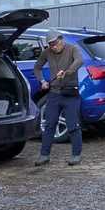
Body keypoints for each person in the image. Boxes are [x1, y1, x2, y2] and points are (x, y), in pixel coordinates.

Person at [33, 31, 84, 166]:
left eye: (55, 44)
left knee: (73, 125)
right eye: (50, 45)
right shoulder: (47, 52)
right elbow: (37, 67)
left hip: (70, 93)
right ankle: (44, 155)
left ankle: (76, 155)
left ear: (61, 39)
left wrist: (67, 72)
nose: (53, 47)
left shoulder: (72, 49)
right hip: (54, 94)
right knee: (49, 125)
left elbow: (79, 61)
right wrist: (42, 81)